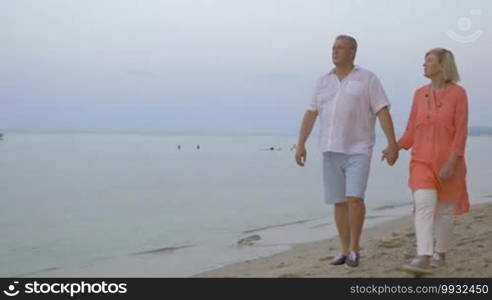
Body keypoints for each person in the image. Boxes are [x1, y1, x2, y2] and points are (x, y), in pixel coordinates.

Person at [295, 35, 399, 268]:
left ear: (353, 52)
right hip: (330, 149)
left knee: (354, 198)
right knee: (338, 201)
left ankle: (354, 248)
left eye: (340, 48)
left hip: (358, 148)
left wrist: (392, 143)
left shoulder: (367, 78)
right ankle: (343, 249)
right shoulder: (323, 81)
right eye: (333, 47)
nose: (335, 51)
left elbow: (382, 111)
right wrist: (301, 144)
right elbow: (311, 114)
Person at [393, 48, 469, 275]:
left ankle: (440, 252)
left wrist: (452, 162)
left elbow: (461, 132)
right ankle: (423, 255)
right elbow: (411, 129)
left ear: (442, 65)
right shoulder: (418, 94)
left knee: (445, 211)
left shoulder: (459, 94)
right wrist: (395, 147)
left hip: (448, 163)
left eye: (429, 61)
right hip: (421, 161)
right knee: (424, 204)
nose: (424, 65)